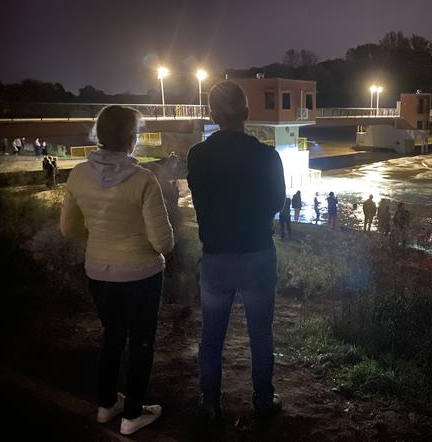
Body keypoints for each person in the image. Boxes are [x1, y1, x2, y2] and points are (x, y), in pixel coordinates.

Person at [59, 105, 174, 435]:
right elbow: (162, 242)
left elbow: (68, 229)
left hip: (98, 272)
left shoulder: (78, 174)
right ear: (131, 138)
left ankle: (107, 405)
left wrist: (99, 241)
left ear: (99, 137)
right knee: (141, 343)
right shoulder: (143, 180)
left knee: (111, 337)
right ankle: (133, 414)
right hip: (141, 276)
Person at [187, 81, 286, 422]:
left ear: (211, 114)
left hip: (216, 257)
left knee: (212, 335)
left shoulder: (197, 156)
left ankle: (210, 402)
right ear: (247, 113)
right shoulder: (267, 156)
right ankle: (263, 401)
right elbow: (276, 202)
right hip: (258, 253)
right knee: (261, 333)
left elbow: (199, 196)